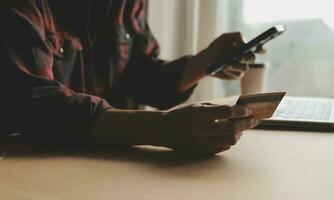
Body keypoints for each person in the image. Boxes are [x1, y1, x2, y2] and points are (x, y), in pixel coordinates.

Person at [0, 0, 261, 155]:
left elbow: (140, 76)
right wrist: (163, 128)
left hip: (106, 168)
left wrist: (203, 63)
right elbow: (35, 105)